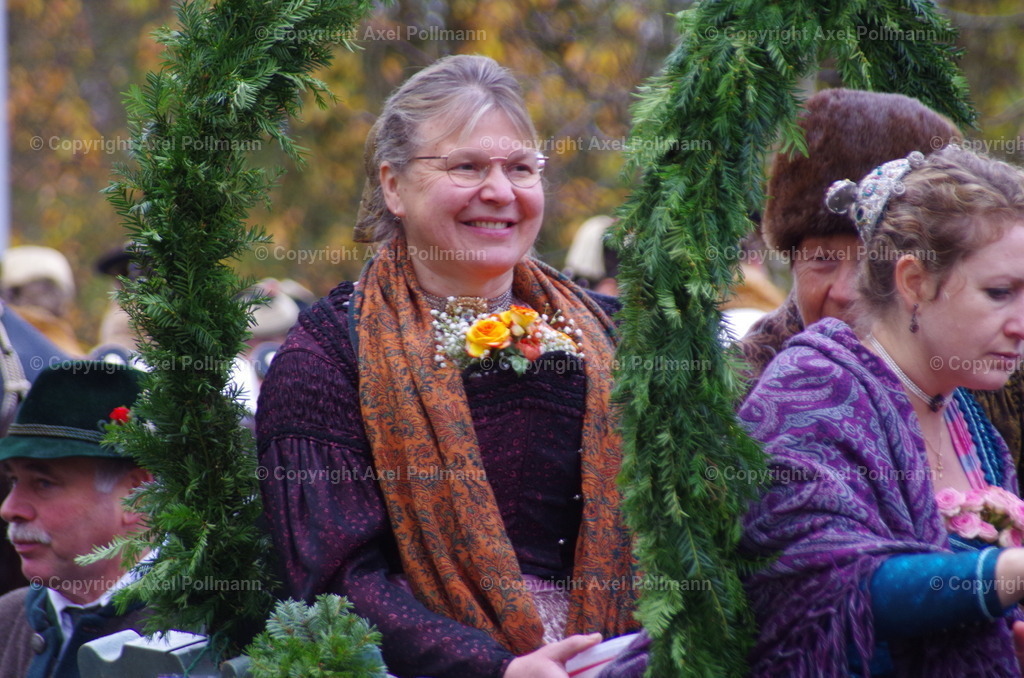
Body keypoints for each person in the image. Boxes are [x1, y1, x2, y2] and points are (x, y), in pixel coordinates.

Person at [256, 54, 638, 678]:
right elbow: (336, 581)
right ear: (392, 185)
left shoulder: (611, 332)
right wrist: (493, 670)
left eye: (521, 168)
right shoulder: (327, 356)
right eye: (465, 167)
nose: (500, 191)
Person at [739, 145, 1024, 675]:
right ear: (914, 281)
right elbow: (825, 590)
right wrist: (1005, 574)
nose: (1021, 324)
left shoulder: (969, 419)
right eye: (1000, 292)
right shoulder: (811, 389)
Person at [0, 360, 151, 678]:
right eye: (14, 480)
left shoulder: (210, 626)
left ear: (135, 494)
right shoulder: (8, 618)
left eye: (43, 483)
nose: (10, 509)